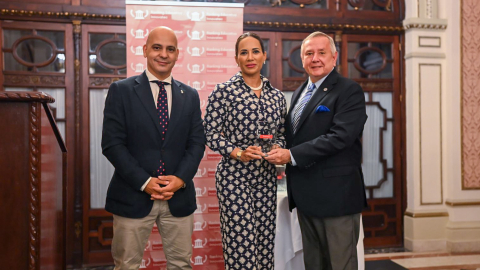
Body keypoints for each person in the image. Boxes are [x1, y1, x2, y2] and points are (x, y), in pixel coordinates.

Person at [101, 26, 205, 270]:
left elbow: (196, 142)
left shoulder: (189, 95)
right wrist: (144, 181)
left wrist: (180, 179)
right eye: (157, 47)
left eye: (170, 49)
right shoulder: (122, 90)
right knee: (126, 265)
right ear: (145, 50)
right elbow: (112, 144)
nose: (163, 54)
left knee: (181, 265)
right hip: (132, 194)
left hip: (177, 197)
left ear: (177, 54)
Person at [265, 31, 368, 270]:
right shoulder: (301, 91)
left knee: (340, 264)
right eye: (309, 53)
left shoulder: (348, 90)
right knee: (314, 264)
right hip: (306, 197)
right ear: (302, 59)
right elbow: (299, 134)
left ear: (334, 57)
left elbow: (340, 138)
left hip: (337, 197)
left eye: (322, 53)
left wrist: (290, 155)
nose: (315, 58)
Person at [204, 32, 287, 270]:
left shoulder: (277, 96)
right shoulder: (223, 91)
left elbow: (282, 132)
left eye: (255, 51)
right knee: (240, 242)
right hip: (233, 177)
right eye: (244, 52)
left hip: (267, 177)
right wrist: (237, 152)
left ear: (264, 56)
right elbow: (209, 132)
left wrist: (277, 146)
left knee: (264, 242)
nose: (250, 57)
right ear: (236, 58)